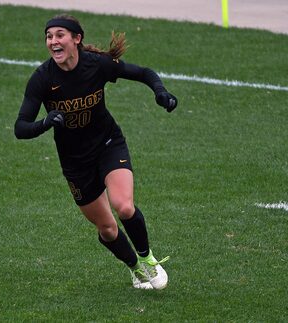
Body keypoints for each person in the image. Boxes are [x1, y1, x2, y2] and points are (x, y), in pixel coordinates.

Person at [14, 14, 178, 290]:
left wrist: (160, 92)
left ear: (76, 39)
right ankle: (135, 269)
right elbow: (20, 127)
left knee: (124, 206)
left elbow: (144, 73)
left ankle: (148, 259)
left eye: (59, 35)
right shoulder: (42, 79)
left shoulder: (97, 65)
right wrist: (45, 122)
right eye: (49, 36)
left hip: (107, 144)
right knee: (108, 229)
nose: (53, 41)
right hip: (75, 162)